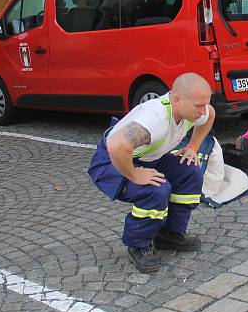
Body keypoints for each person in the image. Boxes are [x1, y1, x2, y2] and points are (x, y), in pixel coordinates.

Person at [88, 73, 215, 272]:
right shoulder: (155, 118)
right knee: (156, 190)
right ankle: (138, 245)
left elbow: (211, 114)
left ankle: (169, 235)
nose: (203, 111)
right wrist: (134, 174)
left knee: (191, 172)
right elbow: (116, 146)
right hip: (113, 160)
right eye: (198, 106)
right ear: (177, 99)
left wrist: (193, 147)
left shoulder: (197, 110)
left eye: (205, 104)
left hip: (149, 156)